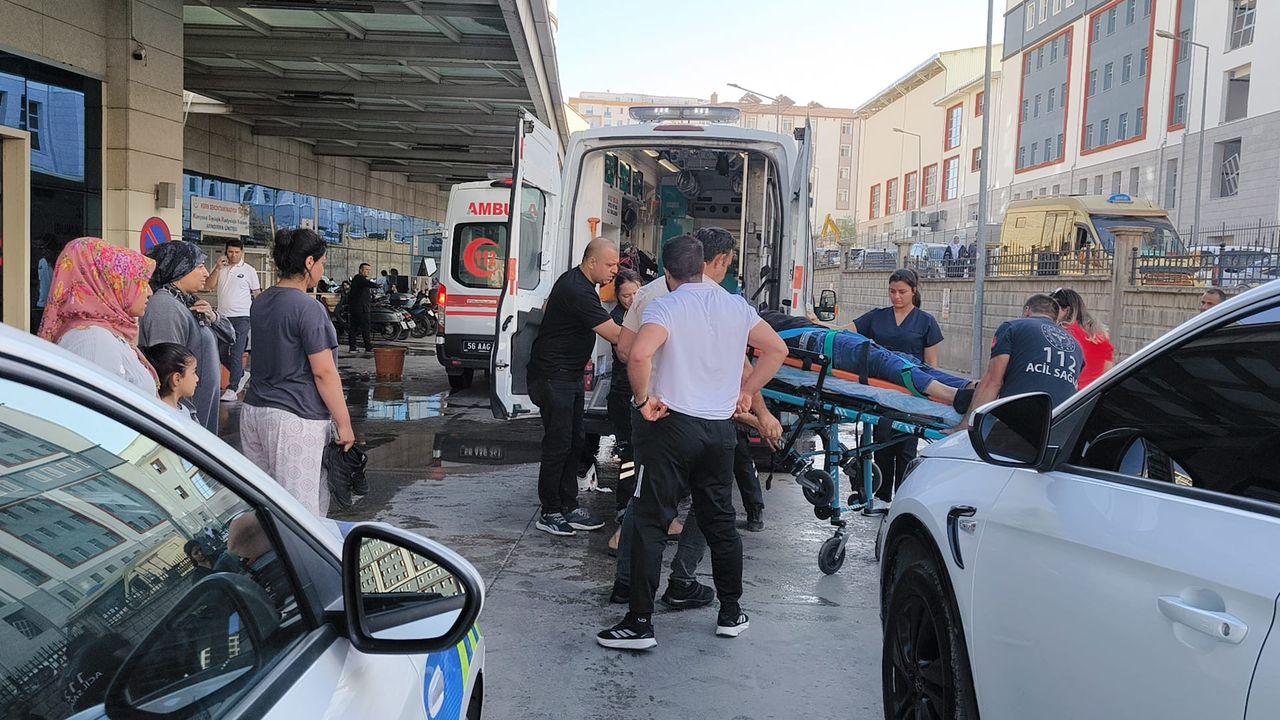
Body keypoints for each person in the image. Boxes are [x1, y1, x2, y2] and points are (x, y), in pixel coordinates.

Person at [597, 234, 788, 650]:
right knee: (720, 522)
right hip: (719, 432)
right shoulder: (735, 306)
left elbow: (638, 354)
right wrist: (746, 391)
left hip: (670, 427)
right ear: (704, 266)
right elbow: (776, 348)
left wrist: (643, 400)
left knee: (651, 521)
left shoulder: (665, 305)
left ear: (667, 272)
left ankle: (640, 623)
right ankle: (731, 612)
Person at [240, 228, 355, 516]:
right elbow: (324, 372)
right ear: (309, 262)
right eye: (322, 263)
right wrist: (344, 424)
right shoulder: (308, 308)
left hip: (254, 413)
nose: (322, 270)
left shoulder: (261, 301)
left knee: (266, 509)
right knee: (301, 515)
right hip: (296, 420)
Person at [526, 237, 621, 536]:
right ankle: (550, 511)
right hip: (553, 376)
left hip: (570, 376)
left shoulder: (582, 284)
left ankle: (568, 505)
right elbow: (614, 334)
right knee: (558, 444)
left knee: (575, 440)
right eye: (610, 264)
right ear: (591, 262)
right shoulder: (577, 289)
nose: (615, 270)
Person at [847, 268, 946, 502]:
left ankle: (902, 500)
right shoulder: (877, 317)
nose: (896, 296)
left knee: (906, 447)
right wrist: (818, 325)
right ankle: (881, 498)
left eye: (902, 292)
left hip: (911, 392)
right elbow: (845, 332)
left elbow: (931, 364)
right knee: (881, 443)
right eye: (892, 291)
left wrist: (933, 398)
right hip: (881, 389)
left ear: (914, 291)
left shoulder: (926, 322)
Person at [760, 310, 971, 405]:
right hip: (832, 344)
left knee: (899, 362)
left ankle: (963, 390)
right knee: (897, 362)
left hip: (831, 344)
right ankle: (961, 390)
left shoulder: (761, 326)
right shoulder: (766, 324)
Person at [38, 237, 159, 396]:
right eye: (140, 283)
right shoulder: (93, 341)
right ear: (111, 285)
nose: (150, 292)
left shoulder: (106, 332)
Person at [140, 240, 232, 433]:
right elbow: (168, 375)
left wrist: (213, 317)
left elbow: (231, 336)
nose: (206, 273)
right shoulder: (165, 307)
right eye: (199, 266)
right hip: (186, 422)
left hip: (196, 414)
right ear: (179, 270)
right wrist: (185, 421)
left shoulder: (187, 302)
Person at [962, 293, 1084, 428]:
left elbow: (993, 382)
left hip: (1014, 424)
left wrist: (965, 426)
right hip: (1056, 427)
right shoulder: (1077, 347)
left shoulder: (1013, 327)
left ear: (1027, 310)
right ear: (1055, 319)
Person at [607, 269, 643, 553]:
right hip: (623, 393)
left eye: (635, 293)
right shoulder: (618, 318)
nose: (631, 299)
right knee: (629, 453)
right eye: (625, 295)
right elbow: (625, 353)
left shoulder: (649, 310)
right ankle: (623, 505)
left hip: (641, 391)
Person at [206, 238, 260, 400]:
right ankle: (241, 374)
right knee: (221, 351)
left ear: (242, 252)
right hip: (222, 316)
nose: (233, 255)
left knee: (237, 351)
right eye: (230, 252)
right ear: (226, 251)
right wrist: (217, 268)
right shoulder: (220, 268)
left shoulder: (249, 270)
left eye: (237, 252)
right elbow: (208, 286)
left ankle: (233, 387)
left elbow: (257, 293)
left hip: (242, 316)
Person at [1051, 287, 1114, 388]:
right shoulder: (1100, 333)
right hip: (1094, 392)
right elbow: (1108, 371)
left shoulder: (1062, 333)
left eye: (1054, 309)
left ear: (1067, 310)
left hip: (1072, 392)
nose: (1050, 313)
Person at [144, 342, 200, 421]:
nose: (197, 379)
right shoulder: (165, 417)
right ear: (177, 379)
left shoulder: (183, 410)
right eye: (193, 372)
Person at [348, 263, 379, 353]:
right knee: (364, 328)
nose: (368, 272)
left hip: (361, 308)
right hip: (360, 309)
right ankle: (368, 347)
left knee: (355, 328)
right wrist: (377, 285)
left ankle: (353, 347)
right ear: (361, 270)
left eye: (369, 270)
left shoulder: (362, 280)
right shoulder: (358, 278)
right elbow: (367, 283)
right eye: (366, 269)